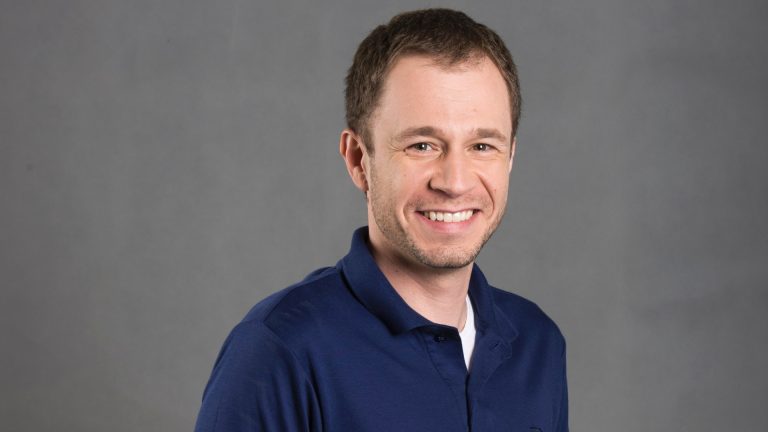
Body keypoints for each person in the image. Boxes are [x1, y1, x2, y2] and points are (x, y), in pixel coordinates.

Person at [195, 8, 568, 432]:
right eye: (422, 145)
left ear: (510, 157)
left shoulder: (538, 345)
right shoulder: (281, 350)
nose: (455, 182)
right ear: (359, 160)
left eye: (482, 146)